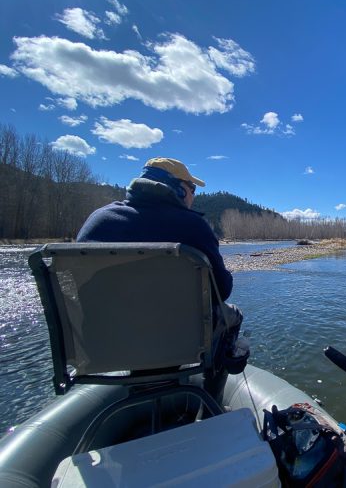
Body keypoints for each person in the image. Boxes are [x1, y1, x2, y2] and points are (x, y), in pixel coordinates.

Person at [77, 157, 245, 399]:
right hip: (179, 340)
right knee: (233, 315)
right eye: (191, 189)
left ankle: (143, 388)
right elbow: (223, 290)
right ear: (176, 188)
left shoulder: (97, 220)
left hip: (105, 342)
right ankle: (212, 401)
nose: (193, 196)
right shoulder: (192, 225)